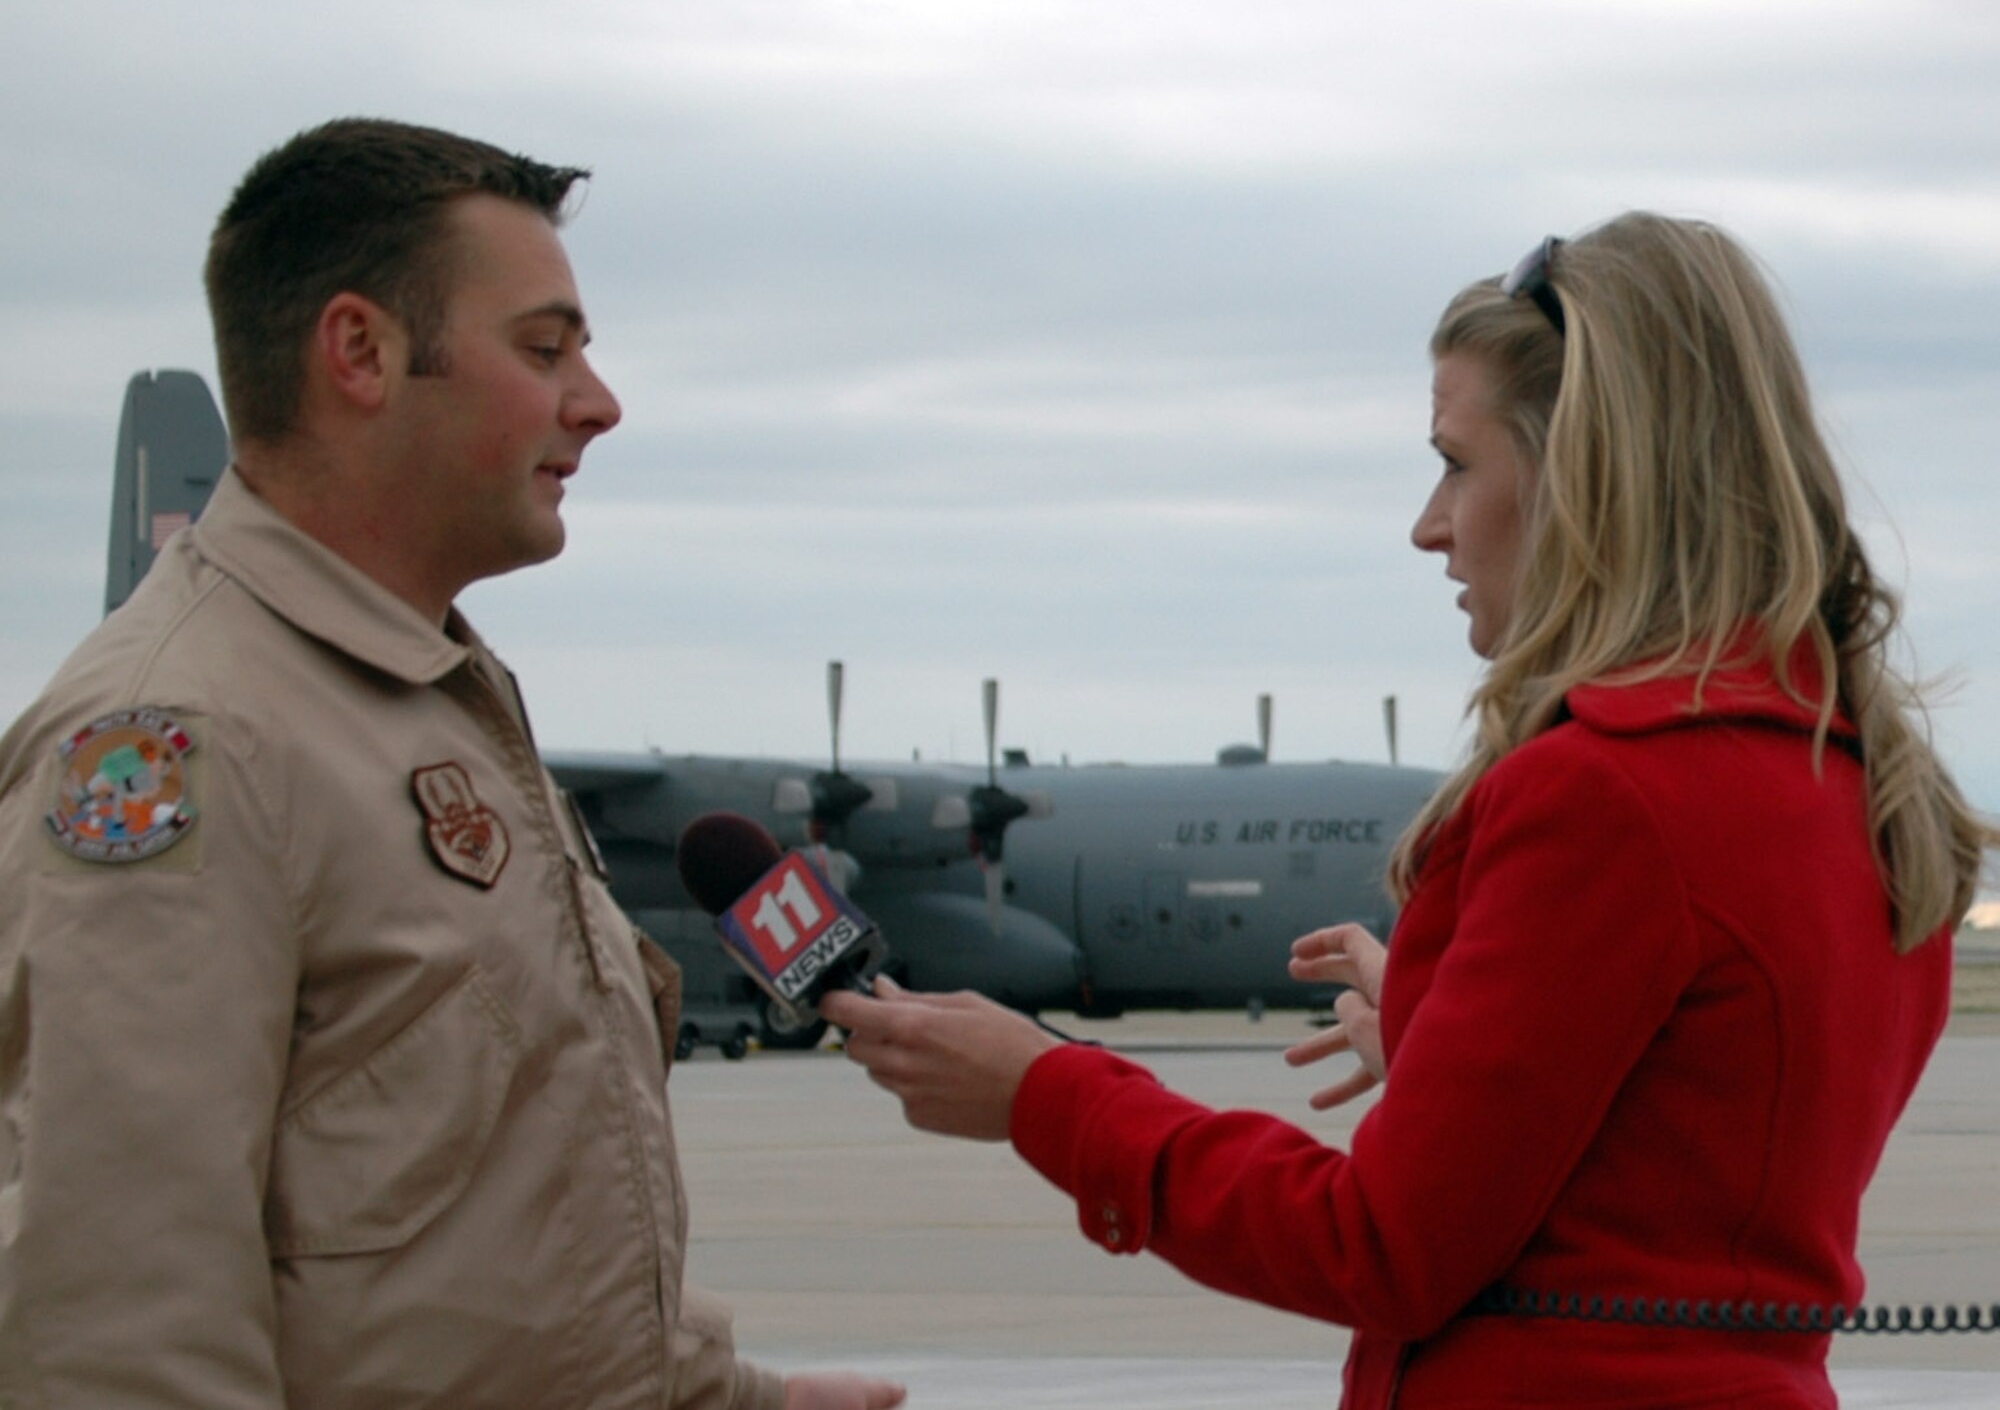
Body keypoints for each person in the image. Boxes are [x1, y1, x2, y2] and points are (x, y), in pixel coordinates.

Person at [823, 212, 1994, 1407]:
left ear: (1581, 477)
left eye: (1454, 463)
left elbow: (1379, 1249)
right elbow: (1692, 1164)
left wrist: (1046, 1092)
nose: (1427, 526)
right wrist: (1447, 1050)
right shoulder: (1853, 781)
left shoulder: (1600, 793)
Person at [0, 119, 903, 1410]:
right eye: (543, 349)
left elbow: (463, 1256)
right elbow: (118, 1323)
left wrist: (733, 1400)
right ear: (360, 353)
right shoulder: (184, 744)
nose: (598, 401)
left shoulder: (430, 707)